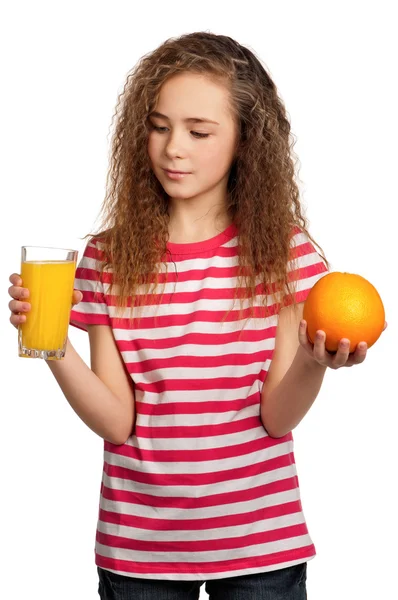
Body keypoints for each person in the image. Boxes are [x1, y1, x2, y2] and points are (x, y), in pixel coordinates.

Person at [8, 31, 387, 600]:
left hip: (261, 544)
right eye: (158, 126)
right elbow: (117, 423)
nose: (172, 148)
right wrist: (52, 342)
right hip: (138, 550)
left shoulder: (282, 252)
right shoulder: (108, 258)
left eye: (198, 131)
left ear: (246, 141)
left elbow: (277, 419)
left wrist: (314, 361)